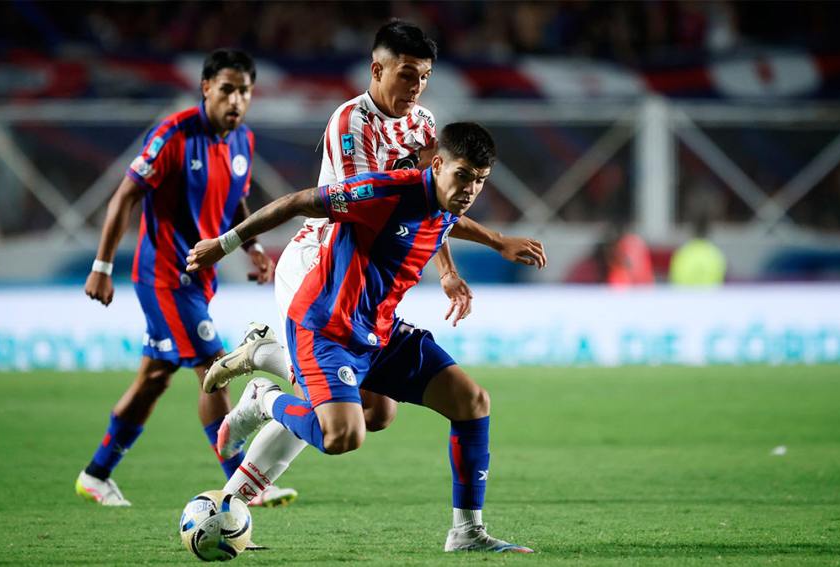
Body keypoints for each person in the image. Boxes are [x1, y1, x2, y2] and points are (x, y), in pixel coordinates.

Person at [201, 20, 546, 509]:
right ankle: (246, 459)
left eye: (424, 77)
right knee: (323, 399)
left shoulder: (423, 123)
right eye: (407, 74)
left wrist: (447, 271)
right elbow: (379, 210)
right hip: (320, 262)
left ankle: (260, 396)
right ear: (377, 70)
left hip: (368, 276)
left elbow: (433, 206)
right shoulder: (351, 123)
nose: (417, 87)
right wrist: (228, 243)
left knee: (377, 412)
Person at [187, 122, 534, 553]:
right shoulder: (385, 192)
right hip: (325, 328)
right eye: (463, 176)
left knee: (469, 402)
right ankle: (264, 398)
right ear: (437, 165)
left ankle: (467, 533)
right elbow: (297, 202)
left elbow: (450, 221)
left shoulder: (447, 199)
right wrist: (224, 244)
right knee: (343, 437)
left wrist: (498, 242)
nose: (470, 190)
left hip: (379, 329)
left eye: (480, 181)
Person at [76, 48, 295, 508]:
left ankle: (96, 474)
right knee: (215, 367)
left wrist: (252, 246)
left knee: (154, 379)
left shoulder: (243, 140)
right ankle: (244, 483)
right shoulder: (173, 135)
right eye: (227, 90)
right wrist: (102, 266)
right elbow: (124, 196)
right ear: (206, 88)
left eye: (244, 92)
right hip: (163, 277)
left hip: (199, 279)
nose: (236, 100)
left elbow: (235, 199)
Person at [669, 215, 726, 286]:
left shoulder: (682, 253)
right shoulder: (715, 254)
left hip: (685, 293)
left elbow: (673, 281)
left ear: (691, 232)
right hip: (709, 293)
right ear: (708, 232)